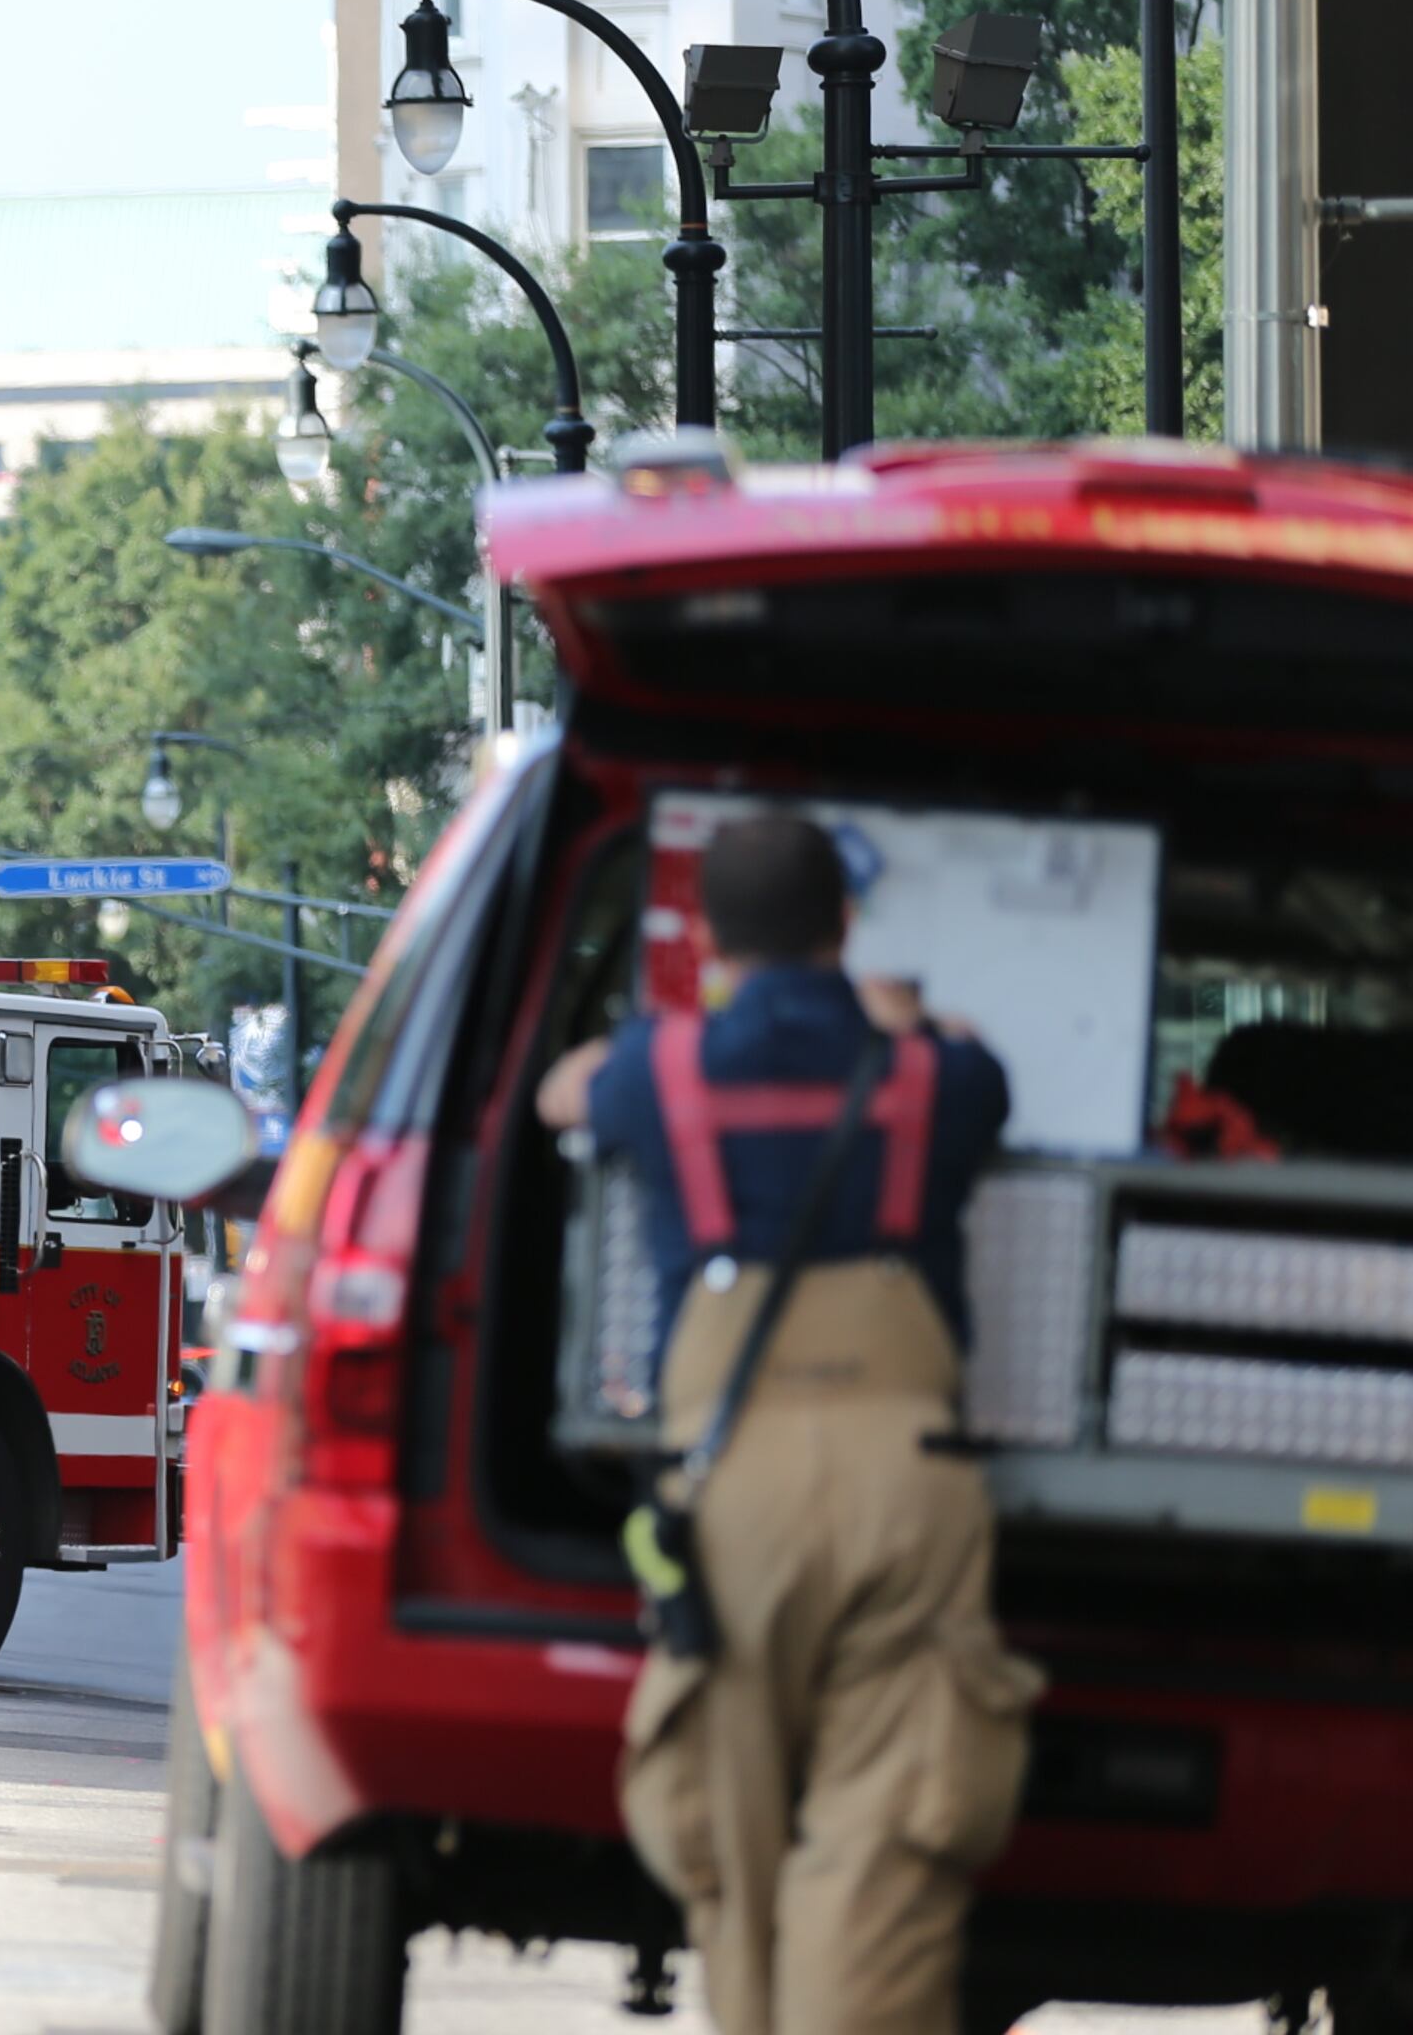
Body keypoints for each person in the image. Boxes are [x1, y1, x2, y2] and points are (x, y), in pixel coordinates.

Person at [537, 812, 1038, 2035]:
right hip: (908, 1486)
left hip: (732, 1488)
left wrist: (654, 1036)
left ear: (708, 934)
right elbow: (980, 1059)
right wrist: (906, 1016)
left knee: (736, 1839)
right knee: (882, 1844)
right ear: (849, 924)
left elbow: (560, 1095)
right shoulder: (935, 1079)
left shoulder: (657, 1072)